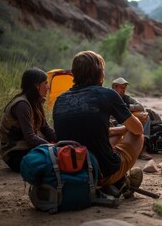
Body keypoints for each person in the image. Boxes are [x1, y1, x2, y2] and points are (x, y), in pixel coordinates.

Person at [53, 50, 144, 189]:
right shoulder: (107, 94)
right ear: (100, 73)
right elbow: (137, 129)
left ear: (74, 73)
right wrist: (134, 124)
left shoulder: (60, 99)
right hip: (101, 171)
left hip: (71, 167)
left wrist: (118, 131)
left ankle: (115, 180)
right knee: (138, 136)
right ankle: (114, 180)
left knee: (113, 137)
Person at [0, 68, 57, 172]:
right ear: (36, 85)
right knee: (54, 161)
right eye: (45, 83)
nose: (48, 87)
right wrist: (52, 147)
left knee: (59, 156)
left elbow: (46, 129)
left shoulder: (35, 102)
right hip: (15, 154)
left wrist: (63, 140)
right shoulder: (22, 105)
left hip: (27, 149)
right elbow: (30, 137)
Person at [111, 77, 152, 160]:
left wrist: (127, 106)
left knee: (146, 118)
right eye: (122, 88)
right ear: (115, 87)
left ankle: (143, 148)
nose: (124, 90)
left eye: (125, 88)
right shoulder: (109, 97)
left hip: (127, 122)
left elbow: (140, 106)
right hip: (115, 124)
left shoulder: (126, 98)